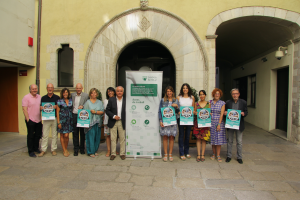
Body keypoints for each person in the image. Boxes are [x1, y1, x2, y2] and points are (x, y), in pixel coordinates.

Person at [224, 88, 248, 164]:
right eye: (233, 94)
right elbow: (225, 111)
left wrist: (244, 114)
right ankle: (229, 156)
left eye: (236, 93)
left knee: (239, 142)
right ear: (231, 95)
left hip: (239, 124)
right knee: (230, 141)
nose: (235, 95)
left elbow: (246, 111)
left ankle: (239, 157)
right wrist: (225, 113)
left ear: (239, 94)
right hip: (230, 124)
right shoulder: (228, 102)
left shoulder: (243, 102)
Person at [158, 86, 179, 162]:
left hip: (173, 122)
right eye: (168, 91)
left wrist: (176, 106)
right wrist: (160, 121)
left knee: (171, 137)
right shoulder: (162, 100)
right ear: (166, 93)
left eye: (170, 91)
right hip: (165, 122)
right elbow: (160, 111)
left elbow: (178, 112)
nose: (169, 93)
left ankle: (170, 154)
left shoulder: (176, 100)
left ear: (172, 92)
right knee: (165, 137)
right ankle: (165, 154)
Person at [38, 83, 60, 157]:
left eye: (51, 87)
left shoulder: (57, 97)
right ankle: (43, 150)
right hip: (46, 118)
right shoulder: (43, 98)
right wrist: (41, 108)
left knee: (54, 134)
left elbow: (60, 107)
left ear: (53, 89)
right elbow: (41, 107)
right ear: (46, 89)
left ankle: (53, 149)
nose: (50, 89)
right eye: (48, 87)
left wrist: (56, 106)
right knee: (45, 135)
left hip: (54, 118)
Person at [106, 86, 126, 160]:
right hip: (113, 121)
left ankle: (122, 153)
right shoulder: (111, 100)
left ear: (123, 92)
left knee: (122, 138)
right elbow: (107, 111)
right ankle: (113, 153)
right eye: (118, 91)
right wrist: (114, 116)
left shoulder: (126, 100)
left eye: (121, 91)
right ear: (116, 92)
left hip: (122, 122)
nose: (119, 92)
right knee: (113, 138)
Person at [22, 84, 42, 157]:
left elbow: (40, 107)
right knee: (30, 136)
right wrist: (28, 120)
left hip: (38, 120)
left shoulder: (39, 97)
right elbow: (24, 109)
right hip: (30, 120)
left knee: (37, 135)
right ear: (30, 89)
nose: (35, 90)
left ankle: (35, 148)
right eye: (33, 89)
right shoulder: (26, 97)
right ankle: (30, 151)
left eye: (36, 89)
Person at [83, 88, 104, 157]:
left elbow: (102, 112)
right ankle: (90, 151)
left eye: (95, 93)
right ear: (90, 94)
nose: (93, 94)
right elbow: (84, 113)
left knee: (97, 137)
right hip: (90, 122)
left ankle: (95, 150)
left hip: (98, 122)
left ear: (97, 94)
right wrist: (85, 123)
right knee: (90, 137)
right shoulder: (87, 102)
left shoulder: (100, 102)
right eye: (92, 93)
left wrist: (95, 112)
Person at [176, 83, 195, 161]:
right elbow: (176, 108)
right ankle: (181, 153)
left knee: (187, 136)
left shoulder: (192, 97)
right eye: (184, 88)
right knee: (181, 135)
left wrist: (193, 112)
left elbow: (193, 108)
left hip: (189, 118)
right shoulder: (178, 97)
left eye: (186, 88)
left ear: (188, 89)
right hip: (180, 118)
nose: (185, 89)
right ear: (182, 89)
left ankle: (186, 152)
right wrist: (178, 112)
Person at [71, 83, 89, 156]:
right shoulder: (72, 95)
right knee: (75, 133)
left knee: (82, 133)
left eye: (80, 88)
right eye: (77, 88)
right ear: (76, 88)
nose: (78, 89)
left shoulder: (86, 95)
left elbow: (88, 104)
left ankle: (82, 149)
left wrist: (83, 106)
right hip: (74, 115)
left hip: (82, 116)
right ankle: (76, 149)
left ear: (82, 88)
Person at [193, 90, 210, 162]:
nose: (201, 96)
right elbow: (194, 111)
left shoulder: (208, 104)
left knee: (204, 139)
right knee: (198, 139)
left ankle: (203, 154)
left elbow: (210, 112)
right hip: (198, 124)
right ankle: (198, 154)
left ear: (205, 95)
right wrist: (195, 113)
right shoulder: (196, 103)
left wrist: (210, 114)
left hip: (205, 124)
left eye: (203, 94)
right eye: (200, 94)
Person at [210, 88, 226, 162]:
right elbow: (208, 111)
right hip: (211, 122)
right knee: (213, 139)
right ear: (213, 94)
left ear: (220, 95)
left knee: (218, 139)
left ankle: (218, 155)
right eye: (215, 93)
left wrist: (219, 124)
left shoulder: (222, 103)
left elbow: (222, 114)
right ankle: (213, 154)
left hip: (219, 122)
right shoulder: (210, 102)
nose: (217, 95)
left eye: (218, 94)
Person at [57, 88, 73, 157]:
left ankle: (66, 148)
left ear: (68, 93)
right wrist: (58, 122)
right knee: (62, 135)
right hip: (62, 120)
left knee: (66, 135)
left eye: (66, 92)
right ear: (62, 94)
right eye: (64, 93)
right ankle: (64, 150)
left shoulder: (71, 101)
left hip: (69, 120)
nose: (65, 94)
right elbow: (57, 112)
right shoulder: (59, 101)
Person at [103, 87, 116, 157]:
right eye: (108, 92)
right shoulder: (105, 100)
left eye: (111, 91)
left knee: (115, 136)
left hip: (115, 120)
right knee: (108, 136)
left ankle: (114, 149)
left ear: (114, 92)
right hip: (107, 120)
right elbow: (106, 110)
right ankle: (108, 150)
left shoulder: (117, 100)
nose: (110, 93)